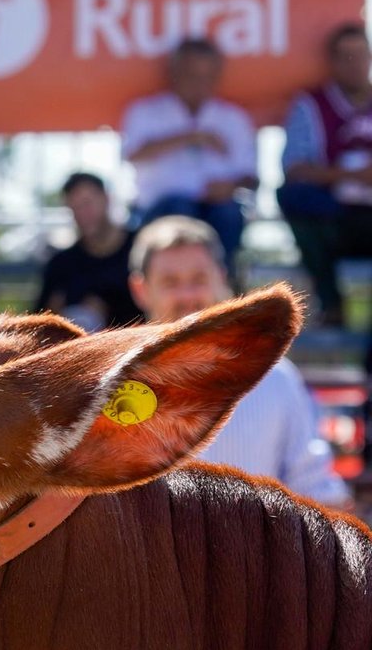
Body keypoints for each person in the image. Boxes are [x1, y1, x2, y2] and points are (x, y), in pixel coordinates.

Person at [127, 216, 349, 508]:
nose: (188, 296)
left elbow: (320, 495)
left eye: (199, 279)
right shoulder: (115, 387)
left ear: (222, 277)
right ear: (140, 290)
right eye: (170, 282)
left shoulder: (275, 377)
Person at [120, 37, 257, 266]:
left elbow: (251, 178)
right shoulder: (145, 111)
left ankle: (219, 287)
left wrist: (229, 187)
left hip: (217, 210)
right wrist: (192, 136)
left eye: (208, 76)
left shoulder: (233, 117)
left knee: (228, 213)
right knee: (179, 209)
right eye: (192, 75)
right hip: (160, 208)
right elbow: (132, 154)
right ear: (174, 73)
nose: (200, 84)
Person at [278, 22, 372, 327]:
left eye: (361, 54)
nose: (355, 64)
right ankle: (331, 304)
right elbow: (294, 168)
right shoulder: (311, 105)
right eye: (346, 56)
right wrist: (350, 175)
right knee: (294, 197)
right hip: (335, 217)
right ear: (331, 62)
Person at [35, 172, 139, 331]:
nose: (83, 213)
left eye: (87, 203)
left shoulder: (142, 248)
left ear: (106, 199)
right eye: (75, 207)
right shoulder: (61, 265)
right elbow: (40, 326)